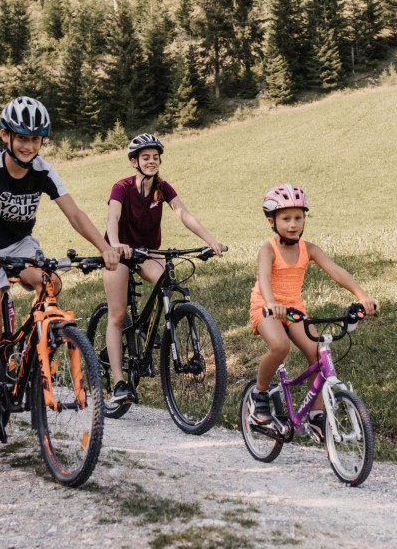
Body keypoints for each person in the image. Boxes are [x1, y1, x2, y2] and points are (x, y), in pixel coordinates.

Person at [0, 96, 125, 451]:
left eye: (35, 139)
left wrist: (103, 246)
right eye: (21, 137)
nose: (28, 145)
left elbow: (75, 213)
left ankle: (34, 351)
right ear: (6, 136)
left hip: (20, 246)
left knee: (51, 282)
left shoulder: (44, 171)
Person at [102, 133, 225, 406]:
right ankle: (119, 382)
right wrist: (117, 244)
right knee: (118, 314)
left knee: (166, 282)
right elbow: (113, 217)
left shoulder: (162, 187)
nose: (151, 161)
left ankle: (148, 329)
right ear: (134, 161)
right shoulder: (121, 188)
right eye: (145, 157)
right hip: (118, 252)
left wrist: (210, 240)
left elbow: (183, 214)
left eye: (155, 158)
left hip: (146, 251)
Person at [247, 184, 377, 433]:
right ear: (271, 221)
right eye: (285, 219)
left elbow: (336, 271)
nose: (293, 224)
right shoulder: (268, 249)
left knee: (318, 354)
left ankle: (316, 416)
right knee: (279, 346)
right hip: (266, 306)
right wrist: (272, 303)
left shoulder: (309, 248)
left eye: (298, 217)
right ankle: (259, 395)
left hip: (294, 308)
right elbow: (263, 278)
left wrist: (362, 295)